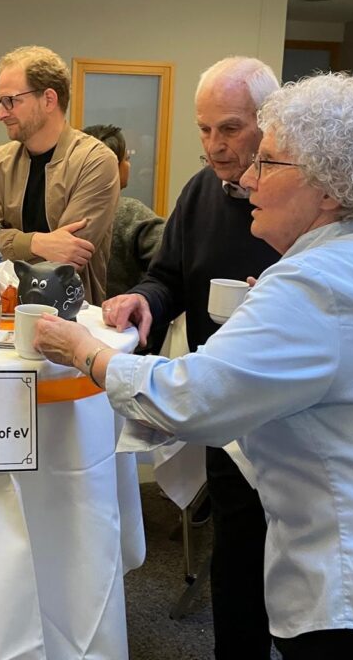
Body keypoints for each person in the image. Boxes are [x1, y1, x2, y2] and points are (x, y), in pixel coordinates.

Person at [36, 72, 353, 659]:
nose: (248, 180)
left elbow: (191, 399)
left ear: (330, 187)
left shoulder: (317, 283)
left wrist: (83, 351)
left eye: (268, 163)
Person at [102, 57, 281, 657]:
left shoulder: (301, 200)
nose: (214, 146)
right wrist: (143, 299)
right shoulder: (202, 190)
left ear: (270, 122)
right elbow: (169, 276)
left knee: (299, 570)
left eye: (229, 129)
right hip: (226, 407)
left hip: (290, 409)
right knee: (237, 555)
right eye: (204, 130)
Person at [0, 45, 119, 305]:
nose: (0, 114)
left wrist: (4, 244)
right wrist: (36, 243)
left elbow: (67, 256)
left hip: (71, 314)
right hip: (4, 310)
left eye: (10, 101)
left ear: (49, 99)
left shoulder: (95, 160)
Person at [83, 124, 164, 299]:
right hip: (120, 313)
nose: (129, 164)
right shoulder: (131, 213)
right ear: (111, 165)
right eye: (126, 158)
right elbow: (172, 261)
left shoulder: (58, 209)